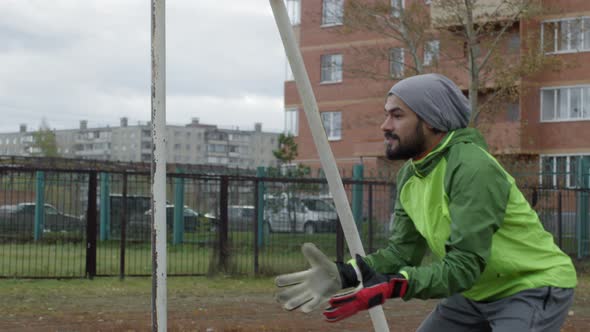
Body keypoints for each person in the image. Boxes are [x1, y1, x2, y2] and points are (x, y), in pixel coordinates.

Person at [275, 74, 577, 331]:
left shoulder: (472, 167)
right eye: (386, 114)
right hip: (475, 292)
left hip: (530, 285)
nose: (384, 125)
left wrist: (393, 286)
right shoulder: (411, 173)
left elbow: (464, 266)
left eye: (397, 115)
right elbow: (402, 252)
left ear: (432, 121)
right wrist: (346, 273)